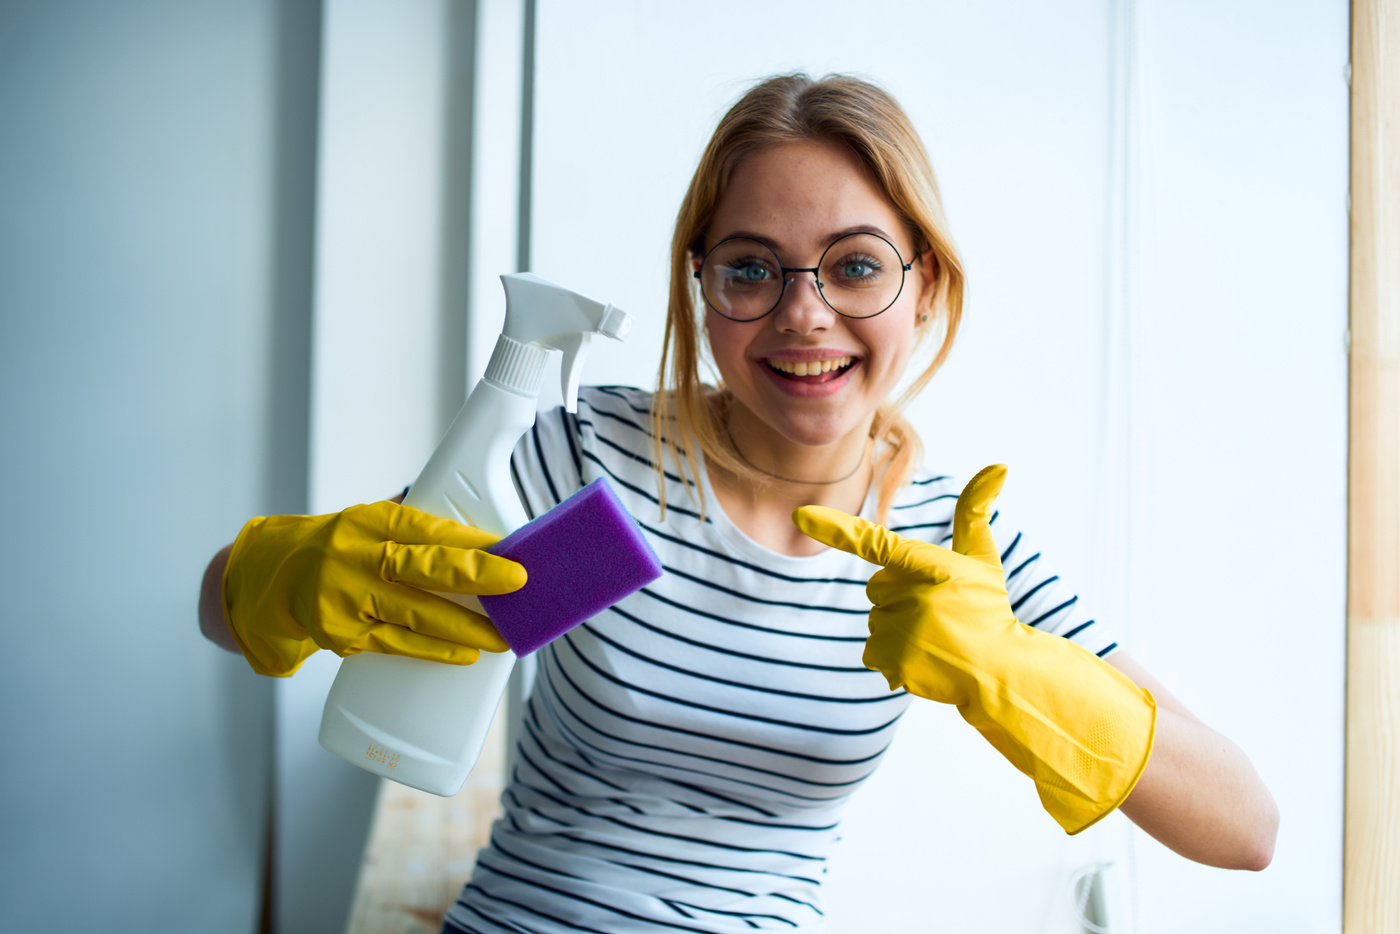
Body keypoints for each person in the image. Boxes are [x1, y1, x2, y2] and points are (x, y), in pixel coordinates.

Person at [199, 74, 1278, 933]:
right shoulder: (600, 471)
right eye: (752, 269)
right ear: (700, 288)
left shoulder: (948, 552)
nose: (803, 315)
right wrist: (282, 580)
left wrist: (1013, 671)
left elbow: (1244, 824)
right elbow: (225, 607)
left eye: (854, 267)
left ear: (926, 285)